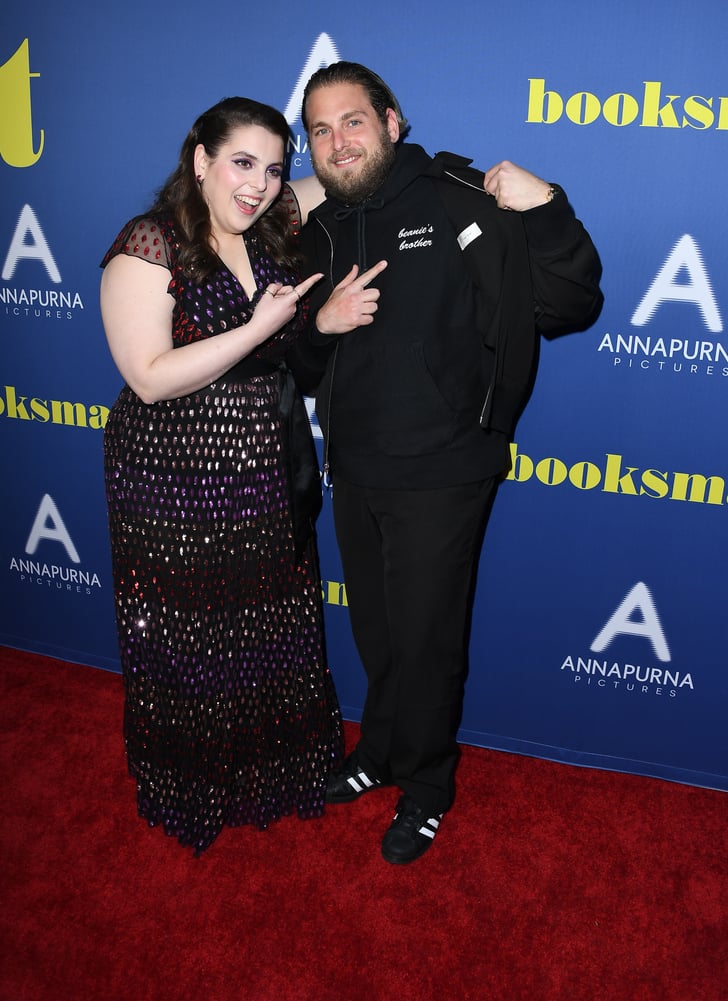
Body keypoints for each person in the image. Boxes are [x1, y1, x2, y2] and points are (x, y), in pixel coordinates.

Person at [295, 62, 603, 865]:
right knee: (379, 634)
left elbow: (570, 303)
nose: (338, 142)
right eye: (321, 131)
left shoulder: (462, 198)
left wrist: (548, 208)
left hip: (444, 467)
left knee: (428, 641)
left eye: (353, 122)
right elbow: (294, 363)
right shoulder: (319, 229)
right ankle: (382, 750)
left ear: (393, 122)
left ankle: (428, 786)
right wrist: (320, 326)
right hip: (355, 466)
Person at [100, 96, 344, 855]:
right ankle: (196, 779)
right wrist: (257, 330)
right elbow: (146, 376)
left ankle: (269, 772)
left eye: (276, 169)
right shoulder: (150, 243)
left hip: (262, 465)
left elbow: (341, 173)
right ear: (200, 160)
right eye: (243, 163)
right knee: (191, 631)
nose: (262, 184)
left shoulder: (275, 221)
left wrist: (454, 171)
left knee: (267, 621)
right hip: (168, 475)